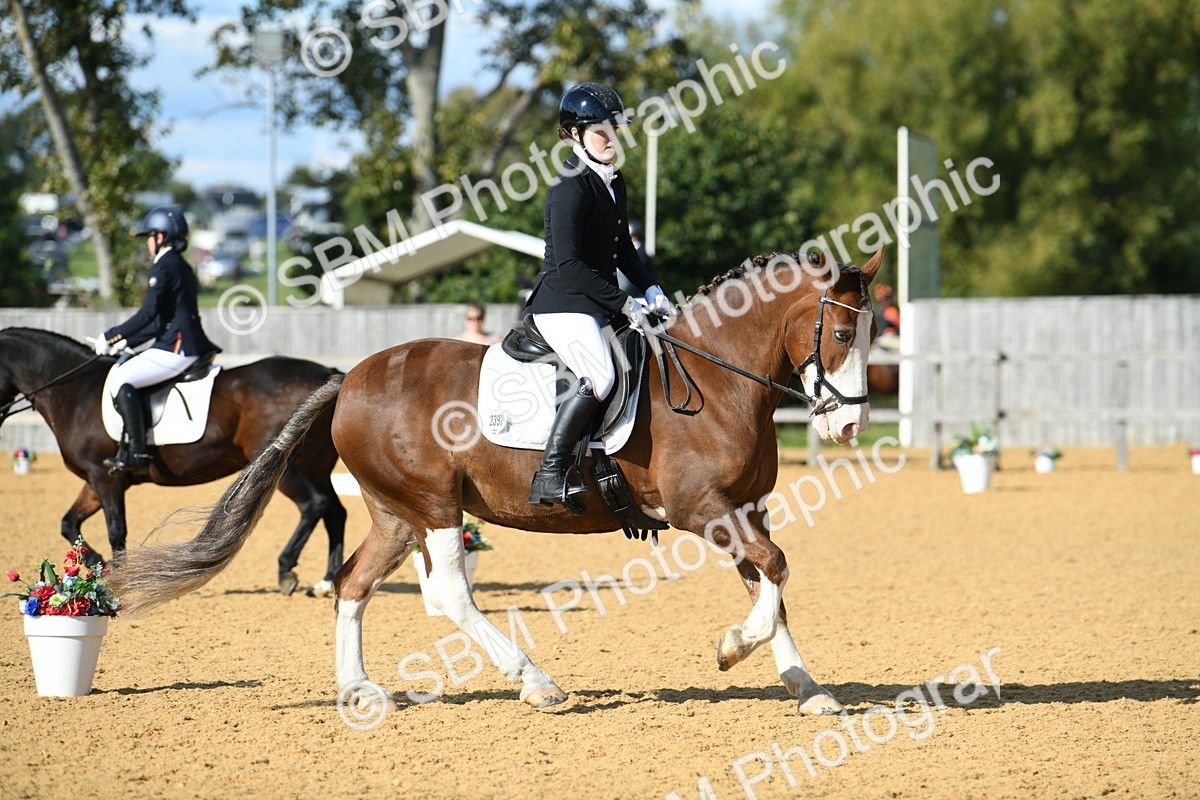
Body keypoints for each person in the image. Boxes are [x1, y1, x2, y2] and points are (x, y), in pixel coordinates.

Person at [525, 81, 676, 512]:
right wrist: (625, 303)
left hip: (596, 303)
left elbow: (623, 249)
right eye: (600, 131)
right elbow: (570, 266)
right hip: (562, 303)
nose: (611, 138)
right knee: (602, 376)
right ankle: (550, 473)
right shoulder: (569, 187)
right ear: (575, 135)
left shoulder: (613, 180)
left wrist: (652, 288)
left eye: (615, 128)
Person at [88, 207, 221, 475]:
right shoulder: (180, 264)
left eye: (149, 236)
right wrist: (128, 342)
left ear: (161, 236)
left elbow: (148, 314)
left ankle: (137, 451)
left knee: (122, 380)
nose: (148, 242)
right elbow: (160, 321)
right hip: (182, 342)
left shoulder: (164, 265)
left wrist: (110, 335)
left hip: (178, 348)